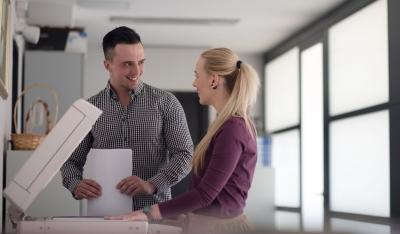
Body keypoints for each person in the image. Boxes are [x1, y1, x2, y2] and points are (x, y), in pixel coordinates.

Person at [109, 47, 260, 234]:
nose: (194, 82)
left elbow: (205, 195)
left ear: (213, 80)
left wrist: (148, 213)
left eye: (197, 75)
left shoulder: (233, 129)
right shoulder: (227, 126)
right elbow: (213, 198)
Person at [60, 26, 194, 210]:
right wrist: (75, 184)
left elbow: (185, 155)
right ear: (107, 65)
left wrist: (151, 184)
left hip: (154, 216)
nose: (136, 70)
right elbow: (70, 161)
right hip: (105, 216)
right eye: (127, 64)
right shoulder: (89, 109)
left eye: (141, 62)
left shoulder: (166, 102)